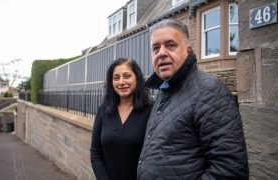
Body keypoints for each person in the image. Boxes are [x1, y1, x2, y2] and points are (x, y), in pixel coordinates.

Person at [137, 19, 249, 179]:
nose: (161, 53)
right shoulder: (164, 90)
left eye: (170, 45)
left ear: (188, 50)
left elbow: (230, 169)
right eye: (155, 48)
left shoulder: (210, 91)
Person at [90, 58, 152, 180]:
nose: (121, 82)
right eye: (116, 78)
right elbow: (95, 152)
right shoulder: (103, 110)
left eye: (127, 76)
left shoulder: (151, 110)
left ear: (137, 78)